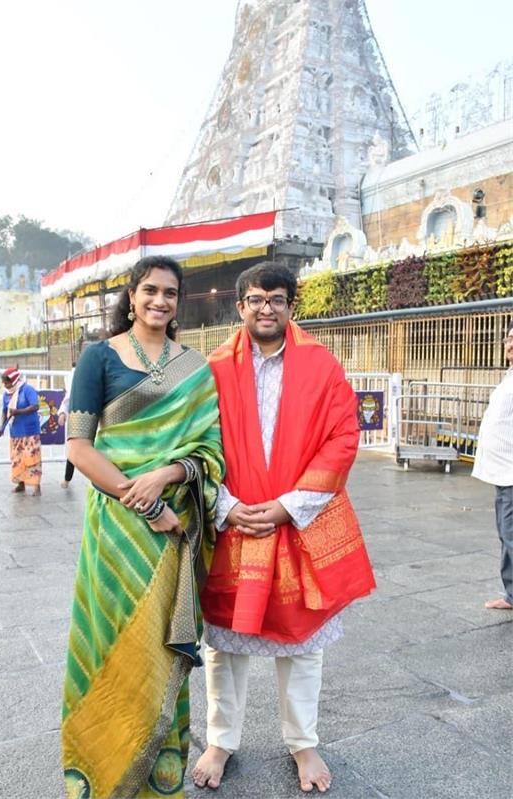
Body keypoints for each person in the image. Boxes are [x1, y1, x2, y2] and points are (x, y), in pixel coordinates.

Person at [192, 262, 376, 794]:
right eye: (255, 299)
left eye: (276, 298)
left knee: (301, 639)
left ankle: (303, 743)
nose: (265, 307)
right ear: (240, 306)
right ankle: (221, 739)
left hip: (296, 523)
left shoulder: (322, 366)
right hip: (235, 522)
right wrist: (226, 505)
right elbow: (196, 443)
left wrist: (289, 505)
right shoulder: (214, 370)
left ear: (292, 305)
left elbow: (343, 437)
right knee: (225, 643)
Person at [61, 256, 224, 799]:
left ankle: (161, 758)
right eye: (150, 290)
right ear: (131, 296)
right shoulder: (98, 358)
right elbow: (80, 448)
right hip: (119, 525)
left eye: (170, 293)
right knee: (110, 635)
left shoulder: (195, 367)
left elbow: (210, 449)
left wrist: (168, 475)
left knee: (159, 640)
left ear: (179, 302)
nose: (160, 301)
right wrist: (146, 503)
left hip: (176, 526)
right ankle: (102, 759)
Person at [472, 319, 513, 610]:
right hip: (503, 474)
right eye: (509, 339)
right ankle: (511, 594)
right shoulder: (509, 376)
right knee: (506, 535)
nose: (509, 344)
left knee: (511, 535)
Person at [0, 367, 42, 496]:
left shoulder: (27, 390)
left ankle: (36, 486)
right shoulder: (6, 394)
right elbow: (5, 412)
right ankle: (20, 484)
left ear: (15, 380)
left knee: (32, 458)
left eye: (7, 382)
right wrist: (1, 427)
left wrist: (18, 412)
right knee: (17, 459)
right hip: (15, 431)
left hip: (30, 431)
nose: (5, 384)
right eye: (4, 382)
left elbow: (35, 406)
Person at [57, 363, 75, 488]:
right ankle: (67, 478)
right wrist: (62, 412)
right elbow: (69, 397)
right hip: (78, 416)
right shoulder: (75, 376)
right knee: (74, 450)